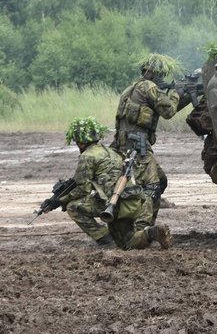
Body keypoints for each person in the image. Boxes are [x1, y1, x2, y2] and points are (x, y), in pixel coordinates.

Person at [40, 117, 172, 250]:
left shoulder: (87, 156)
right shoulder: (112, 152)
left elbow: (83, 190)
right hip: (131, 201)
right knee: (128, 242)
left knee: (73, 207)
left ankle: (105, 239)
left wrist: (60, 201)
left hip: (114, 204)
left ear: (80, 143)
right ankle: (153, 232)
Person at [112, 53, 188, 221]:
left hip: (125, 143)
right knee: (154, 186)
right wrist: (176, 93)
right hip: (137, 146)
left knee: (157, 181)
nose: (162, 78)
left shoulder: (131, 89)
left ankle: (137, 218)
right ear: (153, 73)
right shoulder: (149, 87)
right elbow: (168, 111)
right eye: (160, 74)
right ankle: (143, 225)